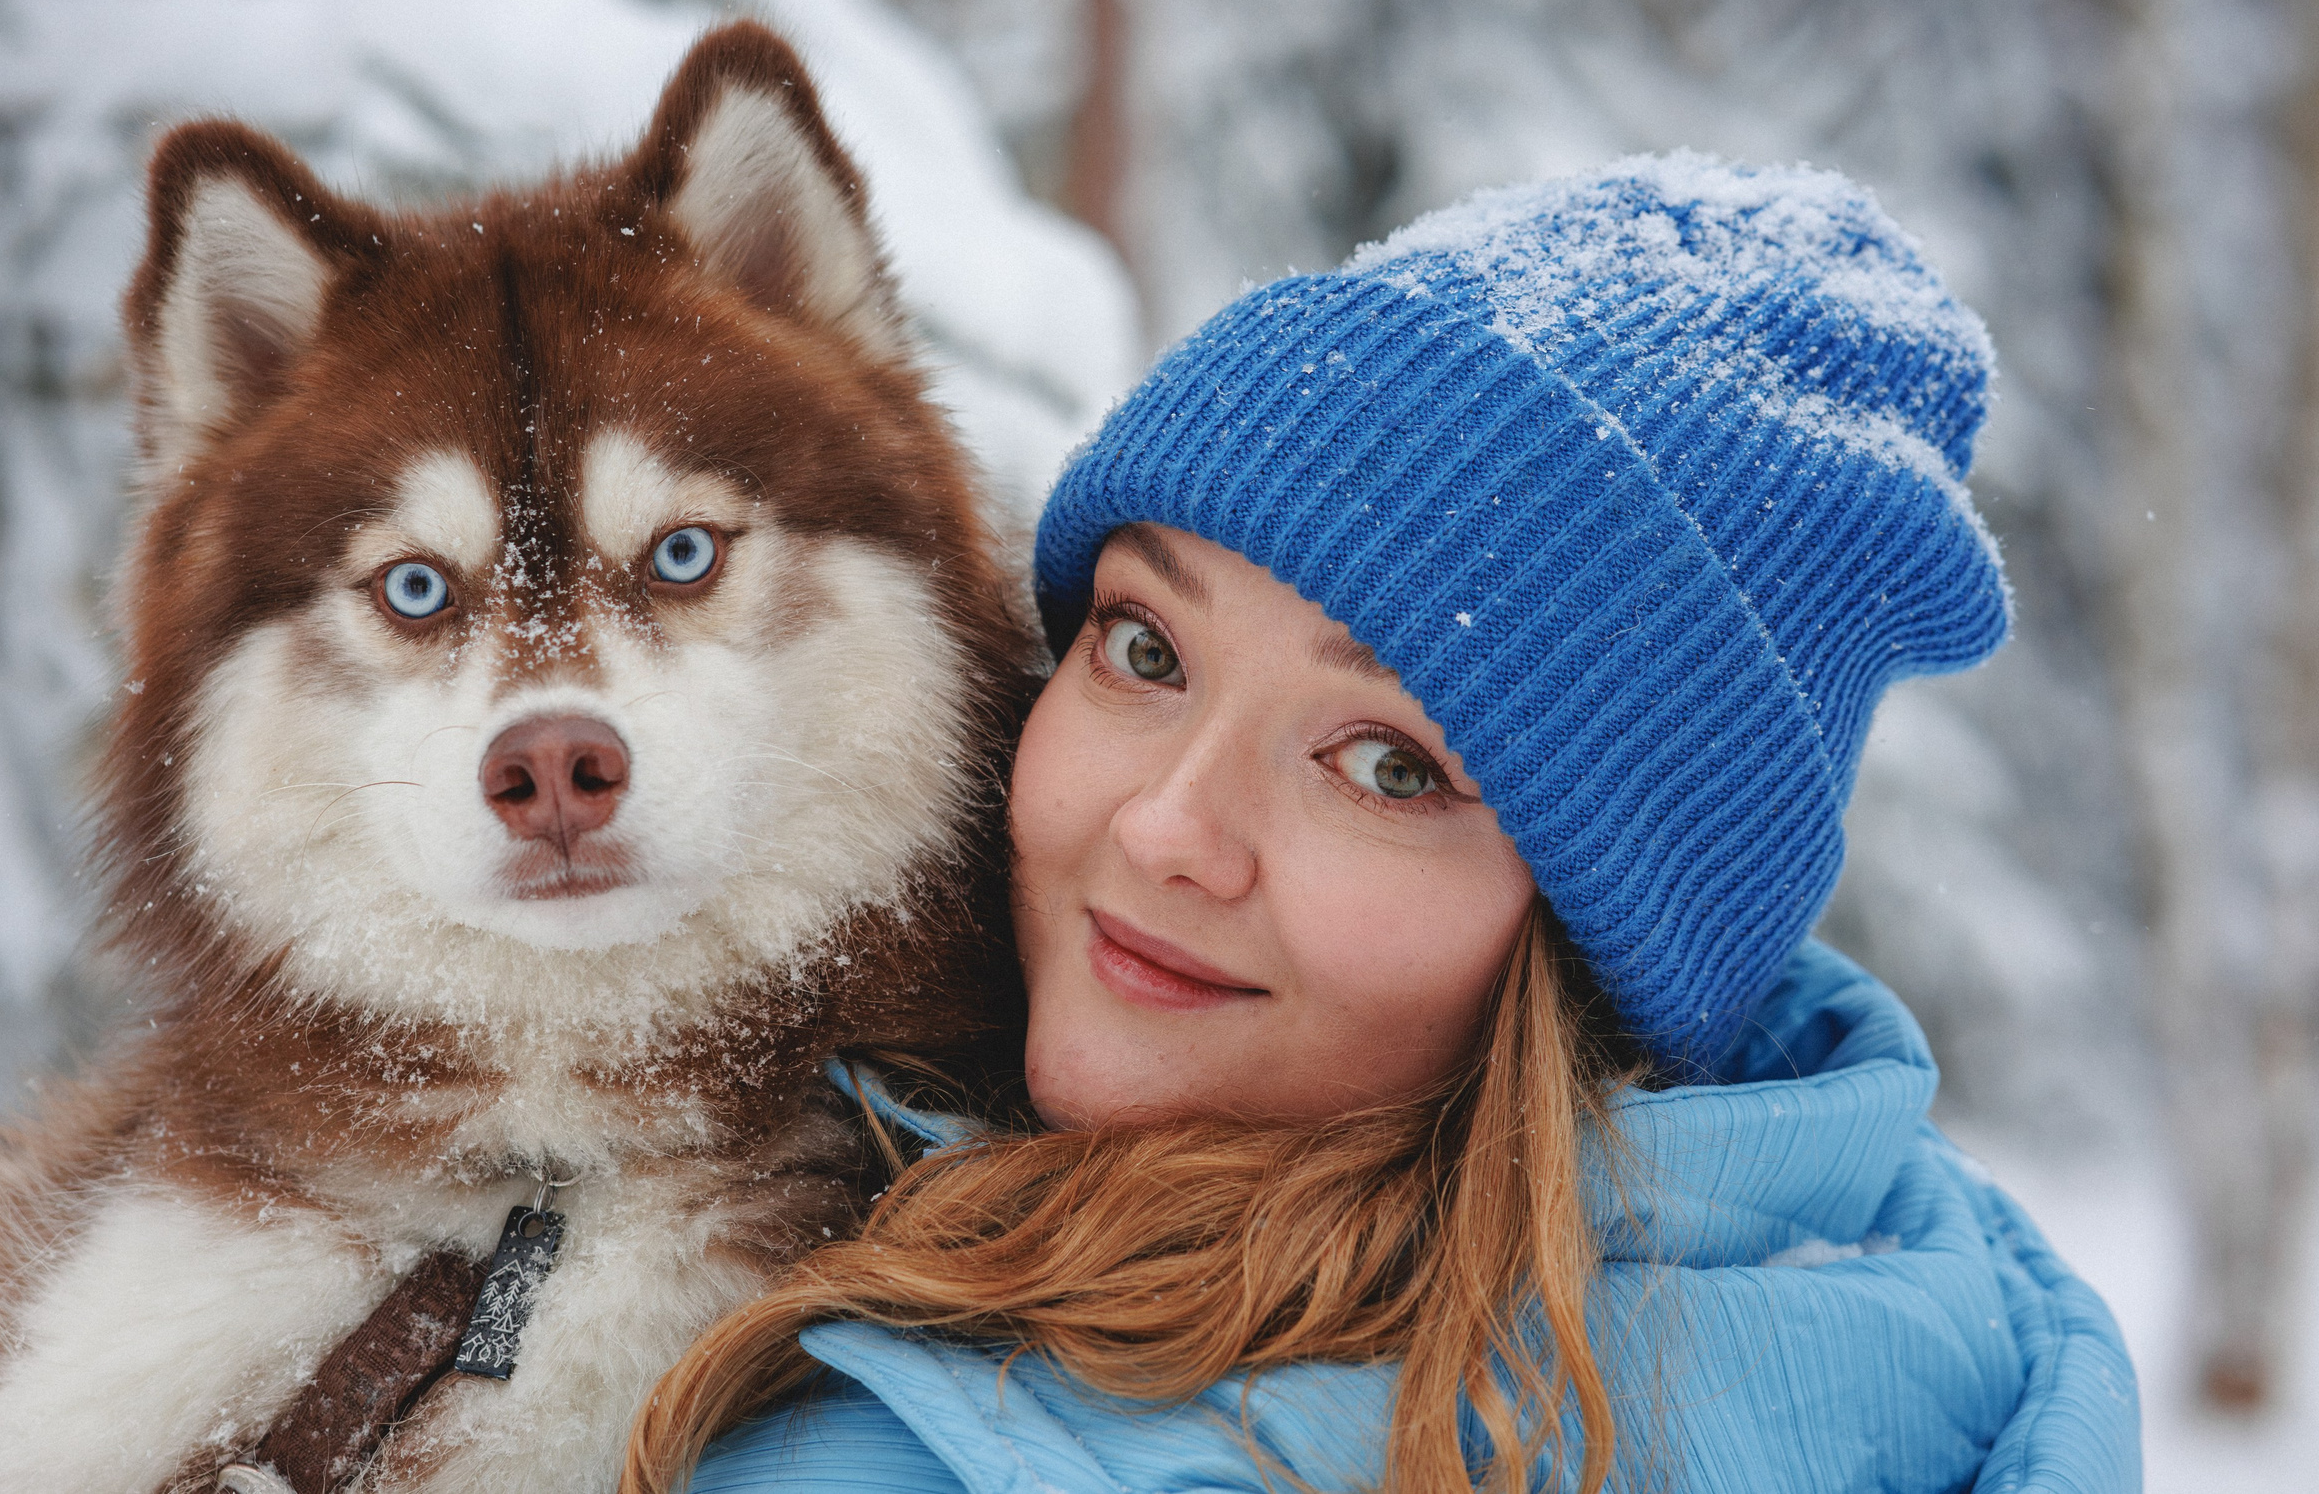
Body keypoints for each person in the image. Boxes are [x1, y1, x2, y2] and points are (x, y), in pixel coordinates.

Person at [622, 157, 2141, 1493]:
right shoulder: (1897, 1308)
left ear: (1599, 955)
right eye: (1146, 649)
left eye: (1389, 767)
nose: (1167, 829)